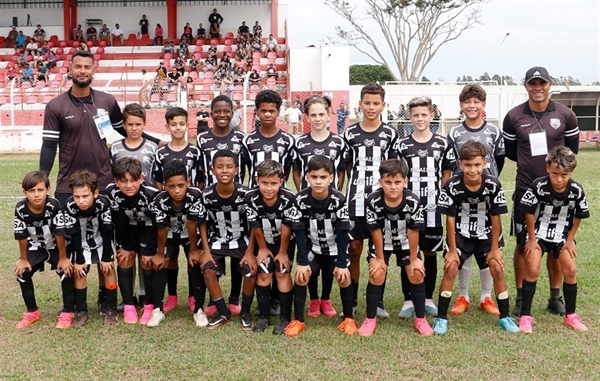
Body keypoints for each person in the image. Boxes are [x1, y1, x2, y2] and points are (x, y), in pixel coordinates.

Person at [502, 66, 580, 317]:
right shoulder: (513, 116)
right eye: (532, 83)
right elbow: (512, 152)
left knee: (557, 244)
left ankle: (555, 297)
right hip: (526, 188)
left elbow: (571, 152)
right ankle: (521, 297)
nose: (538, 87)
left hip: (558, 193)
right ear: (525, 86)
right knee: (523, 244)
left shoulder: (566, 115)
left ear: (550, 84)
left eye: (542, 83)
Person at [433, 141, 520, 335]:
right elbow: (450, 218)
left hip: (486, 234)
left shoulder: (493, 184)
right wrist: (452, 250)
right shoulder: (452, 185)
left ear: (485, 163)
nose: (473, 169)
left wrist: (495, 247)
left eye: (477, 165)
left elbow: (496, 217)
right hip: (460, 234)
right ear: (460, 164)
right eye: (468, 165)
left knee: (497, 267)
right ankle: (441, 318)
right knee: (451, 268)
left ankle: (505, 317)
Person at [447, 84, 505, 317]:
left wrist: (490, 180)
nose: (472, 106)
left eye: (476, 102)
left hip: (487, 198)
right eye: (467, 102)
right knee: (465, 246)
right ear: (461, 106)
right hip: (463, 196)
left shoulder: (493, 130)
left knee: (488, 247)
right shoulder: (454, 132)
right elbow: (451, 163)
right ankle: (463, 295)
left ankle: (486, 297)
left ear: (483, 105)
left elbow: (498, 159)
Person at [282, 155, 356, 337]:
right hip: (313, 249)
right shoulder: (300, 200)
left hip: (334, 248)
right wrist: (302, 261)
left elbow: (342, 233)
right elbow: (299, 232)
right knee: (301, 276)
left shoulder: (339, 200)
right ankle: (298, 320)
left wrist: (341, 263)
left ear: (331, 178)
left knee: (344, 277)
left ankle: (348, 319)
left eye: (323, 177)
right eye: (314, 177)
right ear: (307, 177)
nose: (318, 181)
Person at [517, 146, 589, 333]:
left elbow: (579, 215)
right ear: (548, 167)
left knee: (571, 269)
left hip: (562, 235)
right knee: (532, 268)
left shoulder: (576, 190)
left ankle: (571, 316)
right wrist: (531, 239)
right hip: (538, 233)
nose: (558, 179)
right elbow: (528, 211)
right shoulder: (538, 186)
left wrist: (570, 239)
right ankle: (525, 315)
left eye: (564, 175)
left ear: (571, 172)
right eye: (555, 173)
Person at [395, 96, 455, 319]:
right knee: (408, 253)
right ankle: (408, 298)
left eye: (424, 115)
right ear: (409, 117)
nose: (420, 119)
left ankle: (428, 297)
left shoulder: (443, 143)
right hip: (408, 208)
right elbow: (398, 175)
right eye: (415, 115)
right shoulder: (402, 145)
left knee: (430, 251)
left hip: (433, 208)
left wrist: (440, 198)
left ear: (432, 116)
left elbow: (446, 174)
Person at [359, 159, 432, 336]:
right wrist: (380, 259)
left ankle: (420, 319)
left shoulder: (413, 201)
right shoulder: (373, 200)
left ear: (405, 182)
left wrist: (414, 259)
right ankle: (370, 319)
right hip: (382, 244)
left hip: (406, 243)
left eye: (398, 182)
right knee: (377, 274)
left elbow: (414, 231)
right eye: (388, 182)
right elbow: (375, 230)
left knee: (415, 274)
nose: (393, 187)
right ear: (380, 182)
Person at [343, 83, 397, 317]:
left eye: (376, 103)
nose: (371, 107)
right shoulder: (350, 133)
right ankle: (352, 299)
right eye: (367, 103)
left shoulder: (390, 134)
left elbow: (394, 168)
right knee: (354, 248)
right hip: (355, 199)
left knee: (378, 250)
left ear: (383, 105)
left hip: (381, 202)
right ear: (360, 104)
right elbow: (346, 166)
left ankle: (378, 301)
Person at [292, 96, 346, 319]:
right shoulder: (300, 143)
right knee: (310, 247)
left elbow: (342, 170)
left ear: (328, 115)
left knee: (329, 250)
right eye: (313, 115)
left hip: (330, 204)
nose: (317, 118)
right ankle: (313, 300)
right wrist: (301, 191)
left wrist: (336, 193)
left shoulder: (339, 143)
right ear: (307, 117)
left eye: (321, 114)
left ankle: (326, 298)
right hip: (309, 205)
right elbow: (296, 171)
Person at [193, 149, 252, 329]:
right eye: (220, 167)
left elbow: (255, 224)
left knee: (250, 271)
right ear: (212, 170)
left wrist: (250, 252)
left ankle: (246, 312)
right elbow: (201, 222)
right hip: (216, 240)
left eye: (229, 167)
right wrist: (206, 250)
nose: (224, 171)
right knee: (208, 269)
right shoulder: (206, 195)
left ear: (237, 170)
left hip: (241, 239)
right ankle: (223, 312)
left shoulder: (246, 194)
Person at [153, 107, 202, 312]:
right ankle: (172, 296)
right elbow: (157, 182)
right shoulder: (161, 152)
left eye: (182, 124)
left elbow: (200, 180)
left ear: (187, 125)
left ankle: (193, 296)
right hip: (170, 215)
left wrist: (193, 203)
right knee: (170, 257)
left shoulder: (195, 151)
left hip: (190, 212)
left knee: (193, 255)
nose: (178, 128)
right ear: (167, 126)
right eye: (174, 124)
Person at [13, 171, 74, 329]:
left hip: (55, 244)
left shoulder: (53, 205)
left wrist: (62, 258)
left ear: (48, 189)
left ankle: (67, 312)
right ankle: (32, 312)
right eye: (31, 191)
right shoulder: (20, 208)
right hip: (35, 245)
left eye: (40, 190)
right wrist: (23, 259)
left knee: (67, 271)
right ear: (24, 192)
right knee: (23, 272)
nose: (36, 195)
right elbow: (21, 235)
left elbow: (60, 232)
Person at [105, 157, 161, 326]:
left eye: (133, 180)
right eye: (123, 181)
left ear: (141, 179)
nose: (129, 186)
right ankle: (129, 304)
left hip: (147, 230)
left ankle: (149, 304)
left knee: (147, 260)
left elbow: (156, 225)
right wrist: (126, 247)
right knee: (125, 258)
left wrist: (150, 249)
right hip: (126, 230)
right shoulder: (110, 193)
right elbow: (118, 222)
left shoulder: (152, 194)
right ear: (116, 181)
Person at [152, 160, 208, 327]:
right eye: (171, 186)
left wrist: (194, 249)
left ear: (188, 183)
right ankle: (157, 309)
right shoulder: (160, 201)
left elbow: (192, 223)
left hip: (191, 233)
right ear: (164, 185)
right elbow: (162, 229)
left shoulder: (196, 195)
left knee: (196, 261)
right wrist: (160, 254)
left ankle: (198, 309)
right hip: (169, 233)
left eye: (181, 185)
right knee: (161, 263)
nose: (177, 191)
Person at [244, 160, 296, 333]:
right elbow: (255, 224)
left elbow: (287, 227)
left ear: (281, 182)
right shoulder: (251, 197)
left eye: (274, 183)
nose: (269, 188)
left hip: (284, 243)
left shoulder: (289, 198)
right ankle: (264, 316)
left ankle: (285, 318)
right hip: (264, 242)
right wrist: (263, 248)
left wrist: (282, 252)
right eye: (264, 183)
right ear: (257, 180)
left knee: (282, 271)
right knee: (264, 272)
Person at [63, 170, 118, 327]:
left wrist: (107, 257)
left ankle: (111, 309)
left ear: (95, 193)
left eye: (85, 196)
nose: (80, 201)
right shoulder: (69, 206)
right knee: (79, 271)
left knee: (108, 269)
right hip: (79, 242)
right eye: (77, 196)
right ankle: (82, 311)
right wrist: (79, 260)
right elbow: (73, 234)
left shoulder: (103, 203)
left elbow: (107, 231)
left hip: (101, 239)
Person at [242, 90, 295, 188]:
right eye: (263, 111)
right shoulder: (248, 140)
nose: (267, 114)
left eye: (271, 111)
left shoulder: (288, 140)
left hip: (280, 196)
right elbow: (250, 168)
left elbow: (287, 169)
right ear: (257, 111)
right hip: (254, 194)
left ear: (278, 112)